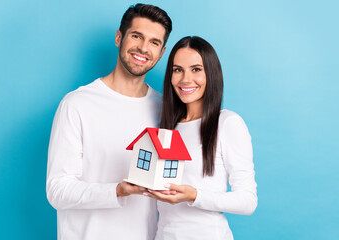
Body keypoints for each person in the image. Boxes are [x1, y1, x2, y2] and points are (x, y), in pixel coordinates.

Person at [46, 4, 172, 240]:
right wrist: (116, 190)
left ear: (162, 52)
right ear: (119, 37)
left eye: (154, 42)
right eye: (137, 36)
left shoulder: (166, 110)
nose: (143, 48)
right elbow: (57, 190)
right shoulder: (77, 104)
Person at [144, 36, 258, 240]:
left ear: (211, 74)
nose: (185, 79)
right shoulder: (167, 128)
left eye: (196, 69)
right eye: (178, 70)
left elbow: (247, 201)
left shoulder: (227, 123)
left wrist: (194, 196)